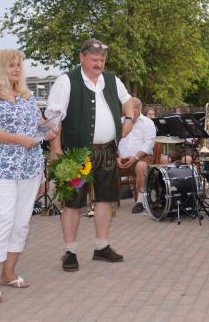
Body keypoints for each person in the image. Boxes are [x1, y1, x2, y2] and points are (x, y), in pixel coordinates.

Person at [0, 49, 56, 304]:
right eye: (11, 65)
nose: (17, 69)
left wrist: (49, 126)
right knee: (3, 219)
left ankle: (8, 273)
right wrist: (20, 139)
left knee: (20, 222)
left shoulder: (27, 96)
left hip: (28, 168)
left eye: (19, 65)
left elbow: (37, 124)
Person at [46, 38, 135, 272]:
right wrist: (56, 149)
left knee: (106, 199)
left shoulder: (112, 79)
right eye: (94, 59)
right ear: (82, 58)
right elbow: (54, 117)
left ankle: (102, 246)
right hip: (77, 154)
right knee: (73, 202)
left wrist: (129, 119)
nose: (99, 64)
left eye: (102, 60)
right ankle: (70, 251)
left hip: (107, 150)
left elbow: (128, 102)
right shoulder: (67, 81)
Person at [116, 97, 156, 214]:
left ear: (136, 109)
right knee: (104, 164)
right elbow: (114, 141)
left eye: (126, 107)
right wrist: (117, 156)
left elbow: (149, 143)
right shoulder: (120, 121)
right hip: (121, 158)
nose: (124, 110)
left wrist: (135, 157)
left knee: (141, 167)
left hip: (142, 157)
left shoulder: (148, 123)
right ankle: (105, 200)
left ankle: (140, 201)